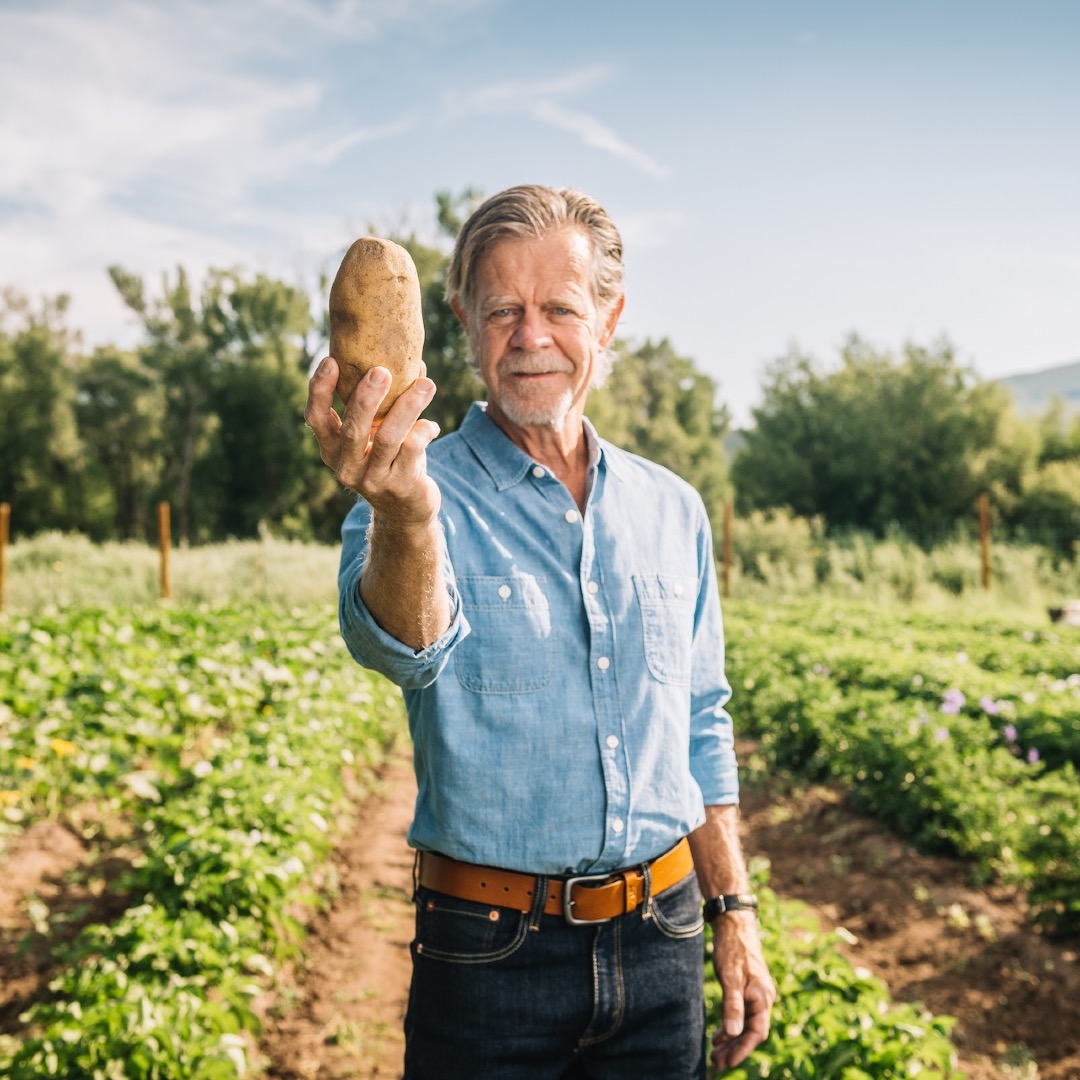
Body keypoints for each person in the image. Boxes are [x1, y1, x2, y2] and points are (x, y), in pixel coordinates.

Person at [305, 184, 775, 1078]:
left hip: (664, 940)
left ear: (609, 316)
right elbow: (402, 647)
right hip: (488, 955)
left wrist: (735, 911)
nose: (531, 337)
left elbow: (699, 723)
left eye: (560, 307)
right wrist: (406, 515)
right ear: (462, 320)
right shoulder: (409, 487)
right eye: (503, 311)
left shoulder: (673, 509)